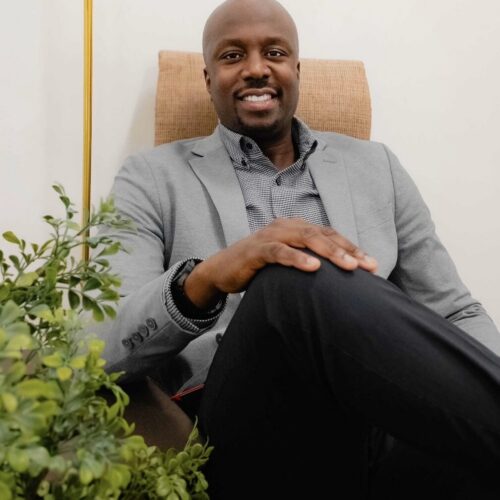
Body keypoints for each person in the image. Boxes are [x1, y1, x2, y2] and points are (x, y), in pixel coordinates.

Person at [92, 0, 500, 498]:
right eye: (232, 55)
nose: (256, 68)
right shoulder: (151, 177)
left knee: (470, 456)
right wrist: (208, 277)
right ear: (207, 78)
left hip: (379, 428)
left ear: (297, 70)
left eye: (275, 53)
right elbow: (100, 348)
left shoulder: (377, 167)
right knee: (290, 272)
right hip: (242, 427)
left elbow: (455, 312)